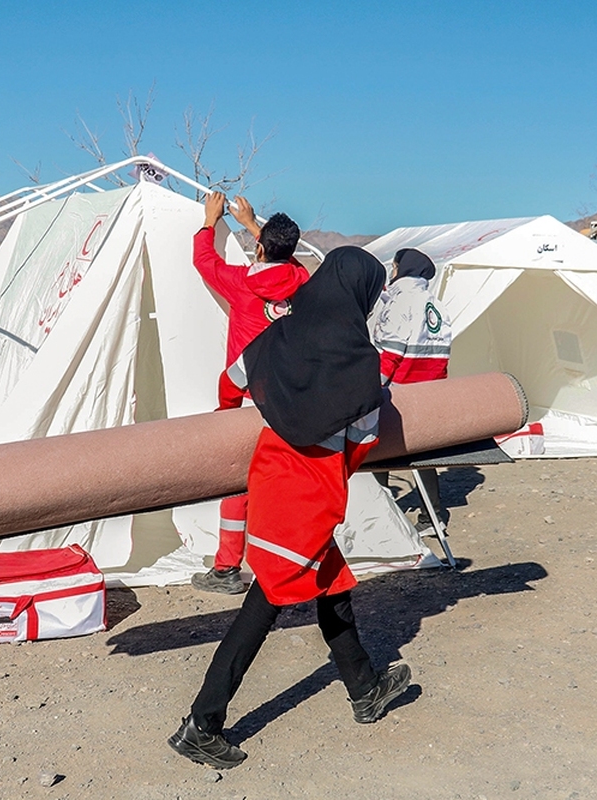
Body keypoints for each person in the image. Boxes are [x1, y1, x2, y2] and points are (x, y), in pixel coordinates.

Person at [169, 247, 412, 770]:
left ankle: (365, 688)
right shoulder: (361, 364)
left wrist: (227, 420)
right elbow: (361, 444)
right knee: (267, 599)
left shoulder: (277, 335)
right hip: (311, 494)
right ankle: (202, 724)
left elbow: (232, 378)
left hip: (271, 474)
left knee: (331, 583)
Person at [189, 193, 309, 595]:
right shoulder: (301, 283)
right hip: (292, 399)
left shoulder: (242, 284)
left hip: (245, 400)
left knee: (238, 483)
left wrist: (210, 221)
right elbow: (290, 264)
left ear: (259, 250)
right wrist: (255, 226)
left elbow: (204, 261)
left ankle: (227, 568)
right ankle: (291, 562)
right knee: (287, 481)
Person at [373, 248, 452, 528]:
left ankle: (379, 517)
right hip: (430, 391)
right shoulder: (435, 304)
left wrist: (372, 389)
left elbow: (391, 353)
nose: (392, 272)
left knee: (378, 453)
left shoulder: (401, 302)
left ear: (403, 269)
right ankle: (433, 517)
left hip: (399, 391)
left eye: (394, 267)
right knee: (422, 455)